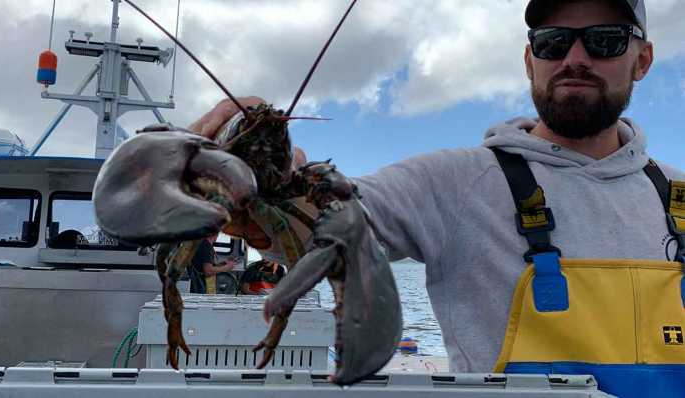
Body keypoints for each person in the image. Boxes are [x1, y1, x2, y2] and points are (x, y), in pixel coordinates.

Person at [189, 1, 685, 396]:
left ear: (641, 60)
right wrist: (257, 167)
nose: (575, 59)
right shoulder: (456, 182)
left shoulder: (677, 195)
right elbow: (333, 221)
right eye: (553, 43)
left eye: (604, 41)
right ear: (530, 60)